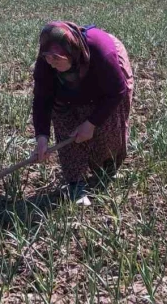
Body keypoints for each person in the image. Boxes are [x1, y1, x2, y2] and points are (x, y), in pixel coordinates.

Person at [32, 21, 134, 191]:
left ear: (70, 52)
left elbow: (117, 91)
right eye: (47, 56)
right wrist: (41, 137)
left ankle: (106, 168)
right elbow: (42, 99)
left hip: (106, 86)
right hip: (67, 92)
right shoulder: (46, 60)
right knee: (66, 126)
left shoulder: (101, 52)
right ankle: (75, 182)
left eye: (56, 58)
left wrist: (91, 123)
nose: (51, 62)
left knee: (108, 125)